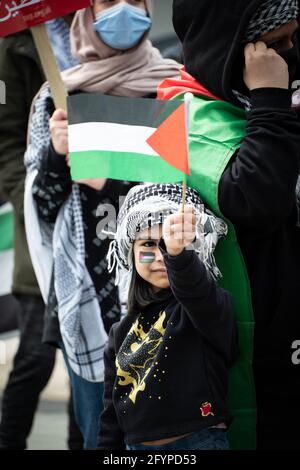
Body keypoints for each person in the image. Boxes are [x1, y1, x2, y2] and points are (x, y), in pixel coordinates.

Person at [24, 0, 181, 449]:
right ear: (85, 15)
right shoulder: (56, 98)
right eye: (110, 2)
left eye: (135, 1)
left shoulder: (173, 86)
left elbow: (187, 189)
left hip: (162, 297)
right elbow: (41, 207)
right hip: (90, 302)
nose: (125, 12)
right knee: (98, 433)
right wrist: (57, 155)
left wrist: (110, 177)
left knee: (163, 438)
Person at [159, 0, 300, 450]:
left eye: (295, 39)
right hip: (249, 358)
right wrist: (271, 99)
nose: (289, 55)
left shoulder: (273, 101)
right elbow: (255, 198)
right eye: (275, 44)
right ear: (232, 49)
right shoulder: (184, 116)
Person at [97, 183, 238, 450]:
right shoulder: (119, 331)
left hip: (199, 443)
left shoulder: (205, 309)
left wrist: (178, 255)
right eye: (150, 244)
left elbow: (194, 289)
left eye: (175, 243)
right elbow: (110, 414)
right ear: (131, 252)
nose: (163, 254)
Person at [0, 19, 82, 450]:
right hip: (40, 210)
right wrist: (29, 192)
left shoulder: (100, 21)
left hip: (99, 210)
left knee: (89, 364)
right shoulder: (15, 42)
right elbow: (5, 140)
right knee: (34, 354)